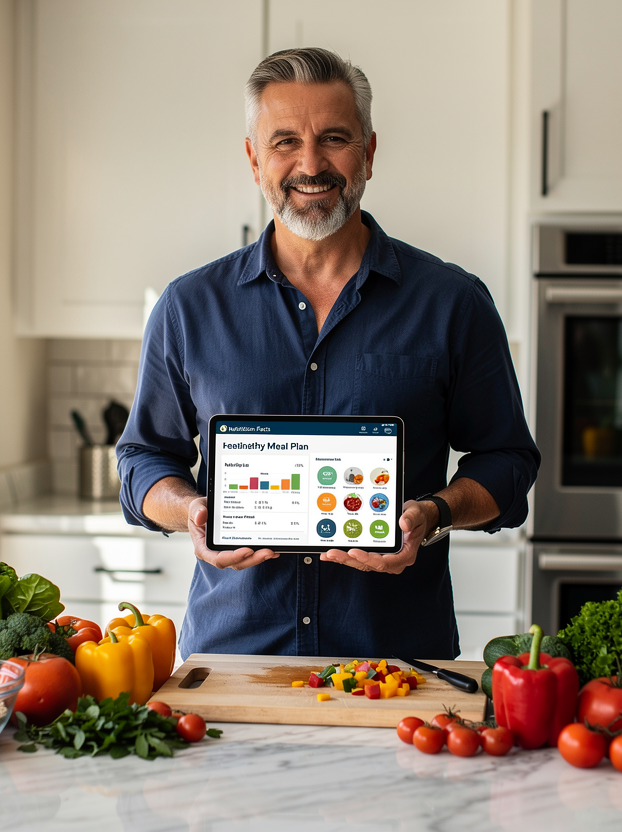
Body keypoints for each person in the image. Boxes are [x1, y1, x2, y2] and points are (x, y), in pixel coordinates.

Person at [116, 47, 539, 660]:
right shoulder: (188, 307)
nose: (310, 164)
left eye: (333, 139)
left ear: (368, 153)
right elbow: (141, 461)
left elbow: (509, 461)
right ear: (253, 158)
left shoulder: (453, 302)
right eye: (284, 141)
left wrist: (433, 514)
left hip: (397, 667)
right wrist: (192, 512)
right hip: (233, 663)